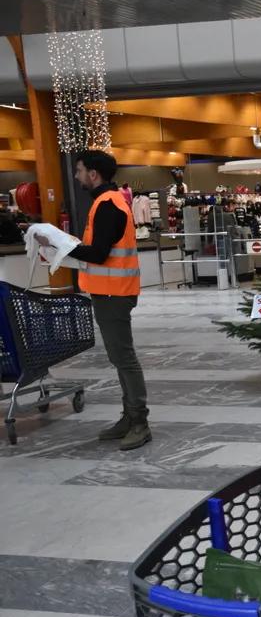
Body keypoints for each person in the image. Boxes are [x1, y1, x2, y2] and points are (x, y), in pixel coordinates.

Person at [39, 151, 151, 450]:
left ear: (93, 174)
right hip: (110, 290)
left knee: (124, 358)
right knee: (119, 358)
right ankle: (129, 417)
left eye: (78, 171)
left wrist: (59, 245)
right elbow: (99, 250)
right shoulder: (109, 202)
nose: (76, 176)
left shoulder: (108, 205)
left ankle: (139, 421)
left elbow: (98, 253)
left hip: (115, 292)